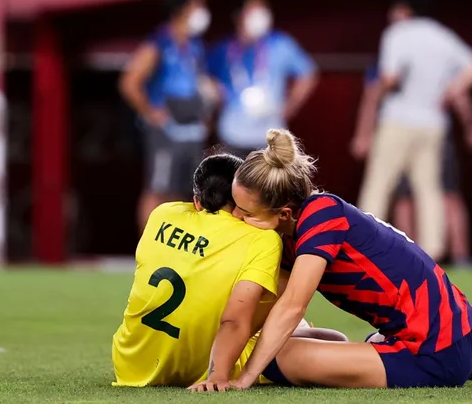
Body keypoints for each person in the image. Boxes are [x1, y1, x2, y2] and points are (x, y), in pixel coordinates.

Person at [219, 129, 472, 390]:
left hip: (436, 351)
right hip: (464, 333)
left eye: (246, 213)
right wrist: (218, 358)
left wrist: (244, 378)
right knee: (270, 343)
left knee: (273, 360)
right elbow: (267, 305)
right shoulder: (297, 230)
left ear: (283, 214)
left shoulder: (321, 216)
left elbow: (293, 306)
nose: (235, 218)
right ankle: (360, 351)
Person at [112, 153, 346, 389]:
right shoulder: (262, 239)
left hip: (130, 363)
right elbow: (234, 320)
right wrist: (217, 377)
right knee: (329, 337)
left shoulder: (163, 214)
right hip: (206, 365)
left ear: (197, 201)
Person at [357, 0, 472, 262]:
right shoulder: (442, 36)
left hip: (398, 119)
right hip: (433, 123)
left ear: (404, 10)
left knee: (380, 183)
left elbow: (390, 77)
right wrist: (451, 90)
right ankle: (432, 248)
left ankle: (364, 243)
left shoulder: (397, 34)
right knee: (429, 188)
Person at [351, 61, 472, 267]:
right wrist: (364, 133)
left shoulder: (436, 61)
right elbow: (372, 96)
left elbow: (458, 92)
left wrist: (471, 124)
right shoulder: (386, 60)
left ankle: (457, 257)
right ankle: (408, 254)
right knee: (403, 198)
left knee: (443, 193)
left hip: (431, 133)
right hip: (397, 131)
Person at [119, 0, 217, 232]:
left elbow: (196, 83)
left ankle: (175, 250)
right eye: (198, 7)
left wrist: (205, 111)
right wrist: (150, 111)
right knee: (157, 189)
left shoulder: (195, 46)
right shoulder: (159, 43)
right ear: (182, 10)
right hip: (167, 130)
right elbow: (129, 82)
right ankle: (146, 250)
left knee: (185, 192)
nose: (202, 13)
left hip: (191, 129)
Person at [207, 0, 318, 158]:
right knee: (232, 181)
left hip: (270, 136)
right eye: (254, 11)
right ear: (239, 16)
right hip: (233, 134)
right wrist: (217, 99)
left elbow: (308, 73)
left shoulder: (280, 44)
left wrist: (291, 105)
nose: (260, 15)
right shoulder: (224, 49)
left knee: (269, 183)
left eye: (263, 10)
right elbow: (205, 76)